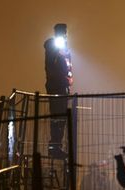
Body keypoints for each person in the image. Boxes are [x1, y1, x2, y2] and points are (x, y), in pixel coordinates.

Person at [44, 23, 73, 159]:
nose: (64, 35)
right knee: (57, 117)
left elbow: (67, 68)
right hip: (56, 87)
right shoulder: (52, 46)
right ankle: (54, 147)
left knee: (61, 118)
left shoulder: (65, 49)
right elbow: (52, 68)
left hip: (63, 88)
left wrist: (69, 79)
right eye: (62, 32)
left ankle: (57, 146)